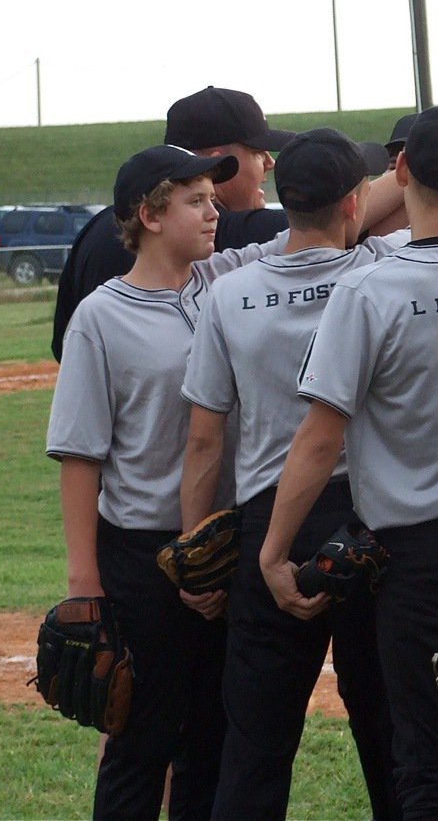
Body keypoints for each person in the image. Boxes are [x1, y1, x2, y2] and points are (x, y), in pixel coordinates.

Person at [258, 92, 438, 820]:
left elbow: (321, 436)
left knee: (427, 758)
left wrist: (271, 551)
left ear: (402, 169)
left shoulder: (368, 286)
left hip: (415, 556)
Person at [45, 144, 289, 819]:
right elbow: (79, 457)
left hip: (228, 546)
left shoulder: (227, 278)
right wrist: (84, 585)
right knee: (143, 741)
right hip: (144, 558)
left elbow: (330, 218)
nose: (215, 210)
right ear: (149, 215)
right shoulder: (102, 315)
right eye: (195, 200)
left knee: (212, 737)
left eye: (214, 196)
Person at [179, 129, 404, 819]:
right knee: (388, 735)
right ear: (353, 203)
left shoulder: (230, 291)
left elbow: (205, 439)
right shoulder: (381, 275)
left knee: (256, 745)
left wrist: (196, 552)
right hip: (373, 516)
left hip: (272, 519)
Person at [51, 87, 295, 361]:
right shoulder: (229, 232)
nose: (270, 162)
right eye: (257, 151)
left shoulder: (96, 229)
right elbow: (323, 227)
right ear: (215, 163)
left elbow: (65, 348)